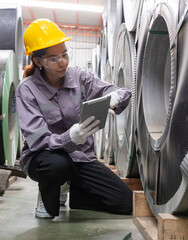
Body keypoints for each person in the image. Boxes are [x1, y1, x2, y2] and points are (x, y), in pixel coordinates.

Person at [16, 18, 132, 218]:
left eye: (64, 54)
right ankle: (50, 191)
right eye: (53, 58)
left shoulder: (79, 77)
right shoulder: (27, 90)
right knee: (57, 165)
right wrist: (70, 137)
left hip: (80, 157)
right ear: (38, 61)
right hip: (44, 158)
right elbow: (38, 140)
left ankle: (78, 193)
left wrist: (115, 96)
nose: (62, 62)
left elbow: (122, 91)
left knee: (126, 204)